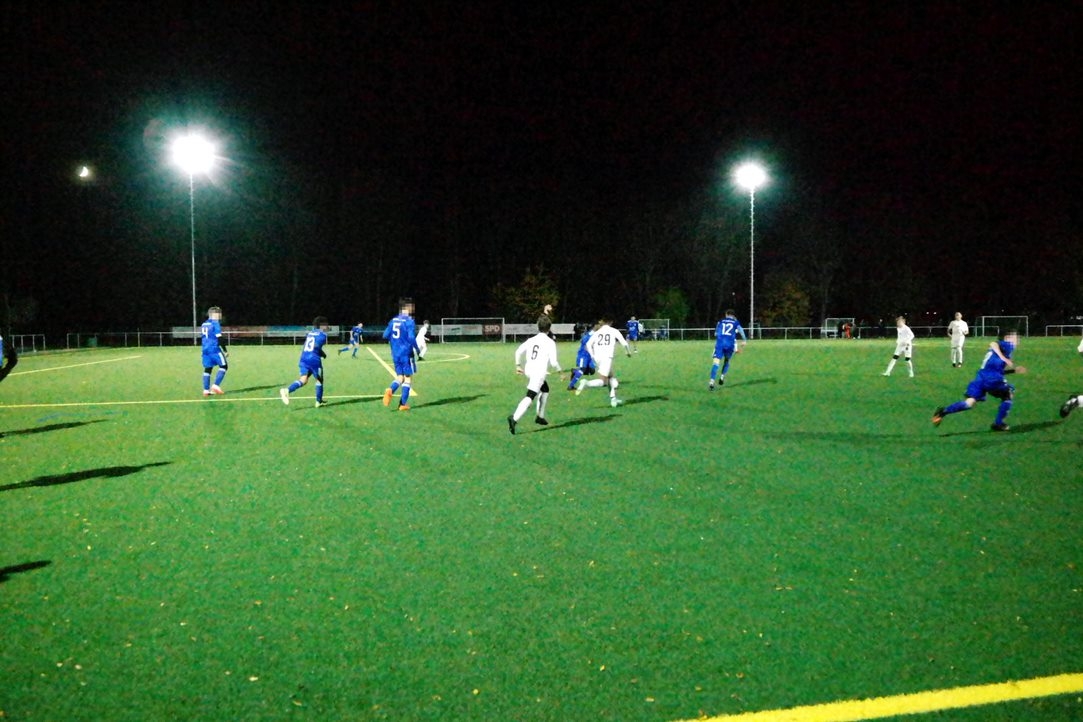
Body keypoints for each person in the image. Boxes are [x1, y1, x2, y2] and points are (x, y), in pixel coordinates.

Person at [933, 330, 1027, 431]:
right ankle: (998, 423)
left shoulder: (998, 352)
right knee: (1008, 394)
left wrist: (1013, 371)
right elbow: (993, 343)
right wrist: (1003, 358)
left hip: (981, 378)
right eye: (1015, 338)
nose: (1017, 340)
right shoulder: (1007, 345)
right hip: (991, 379)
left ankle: (943, 412)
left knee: (969, 403)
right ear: (1007, 338)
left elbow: (996, 370)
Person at [508, 315, 563, 434]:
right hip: (538, 372)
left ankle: (540, 416)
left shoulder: (531, 340)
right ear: (549, 328)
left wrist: (518, 365)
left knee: (545, 389)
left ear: (538, 327)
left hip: (529, 369)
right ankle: (514, 418)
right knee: (530, 395)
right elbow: (554, 362)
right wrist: (560, 372)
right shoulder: (550, 342)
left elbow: (518, 351)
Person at [575, 315, 631, 407]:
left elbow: (588, 345)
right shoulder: (614, 331)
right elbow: (624, 343)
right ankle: (586, 383)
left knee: (611, 376)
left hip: (597, 357)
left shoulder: (597, 332)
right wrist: (628, 352)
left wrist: (592, 356)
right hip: (607, 357)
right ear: (611, 322)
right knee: (603, 381)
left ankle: (613, 399)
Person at [280, 317, 330, 407]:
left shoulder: (310, 333)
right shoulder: (323, 335)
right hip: (313, 359)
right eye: (326, 324)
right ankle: (318, 401)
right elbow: (316, 347)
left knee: (303, 379)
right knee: (319, 380)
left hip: (304, 358)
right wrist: (323, 354)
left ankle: (287, 390)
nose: (327, 326)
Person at [382, 298, 421, 411]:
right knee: (408, 378)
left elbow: (385, 335)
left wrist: (395, 342)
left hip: (395, 353)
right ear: (408, 307)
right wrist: (417, 349)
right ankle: (402, 404)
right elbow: (411, 337)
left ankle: (391, 389)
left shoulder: (393, 320)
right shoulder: (409, 321)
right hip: (406, 353)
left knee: (400, 377)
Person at [709, 309, 748, 390]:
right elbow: (741, 330)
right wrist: (744, 340)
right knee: (727, 361)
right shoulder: (735, 322)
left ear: (726, 314)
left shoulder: (720, 321)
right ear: (733, 315)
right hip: (730, 344)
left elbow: (716, 333)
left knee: (716, 363)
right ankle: (722, 377)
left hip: (720, 344)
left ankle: (711, 382)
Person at [200, 306, 228, 396]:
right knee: (224, 366)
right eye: (219, 313)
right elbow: (219, 337)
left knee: (208, 368)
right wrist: (225, 350)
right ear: (214, 314)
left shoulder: (204, 324)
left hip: (205, 349)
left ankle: (206, 390)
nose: (220, 315)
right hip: (214, 349)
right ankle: (216, 386)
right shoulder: (215, 323)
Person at [568, 322, 598, 391]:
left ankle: (575, 371)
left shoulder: (595, 334)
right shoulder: (589, 335)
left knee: (592, 371)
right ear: (595, 326)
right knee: (582, 370)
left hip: (589, 356)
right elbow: (586, 346)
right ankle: (570, 386)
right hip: (583, 355)